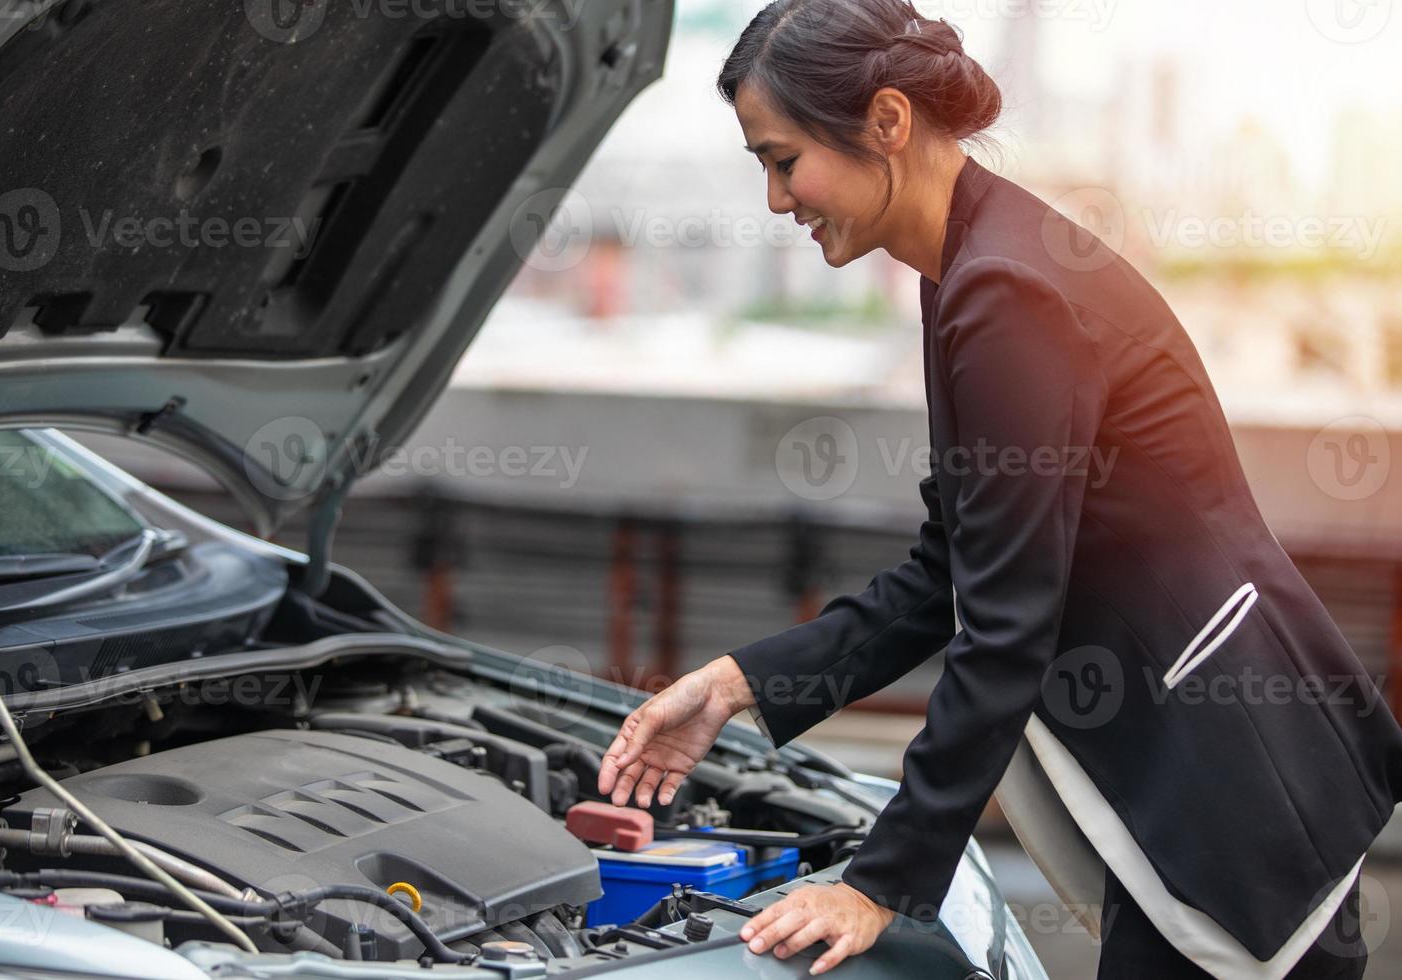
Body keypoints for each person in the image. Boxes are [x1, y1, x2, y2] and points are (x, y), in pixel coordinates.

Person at [597, 1, 1402, 977]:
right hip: (1211, 769)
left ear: (885, 123)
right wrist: (735, 684)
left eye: (781, 160)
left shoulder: (1003, 288)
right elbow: (955, 566)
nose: (776, 199)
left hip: (1229, 787)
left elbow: (1005, 617)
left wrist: (877, 882)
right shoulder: (972, 264)